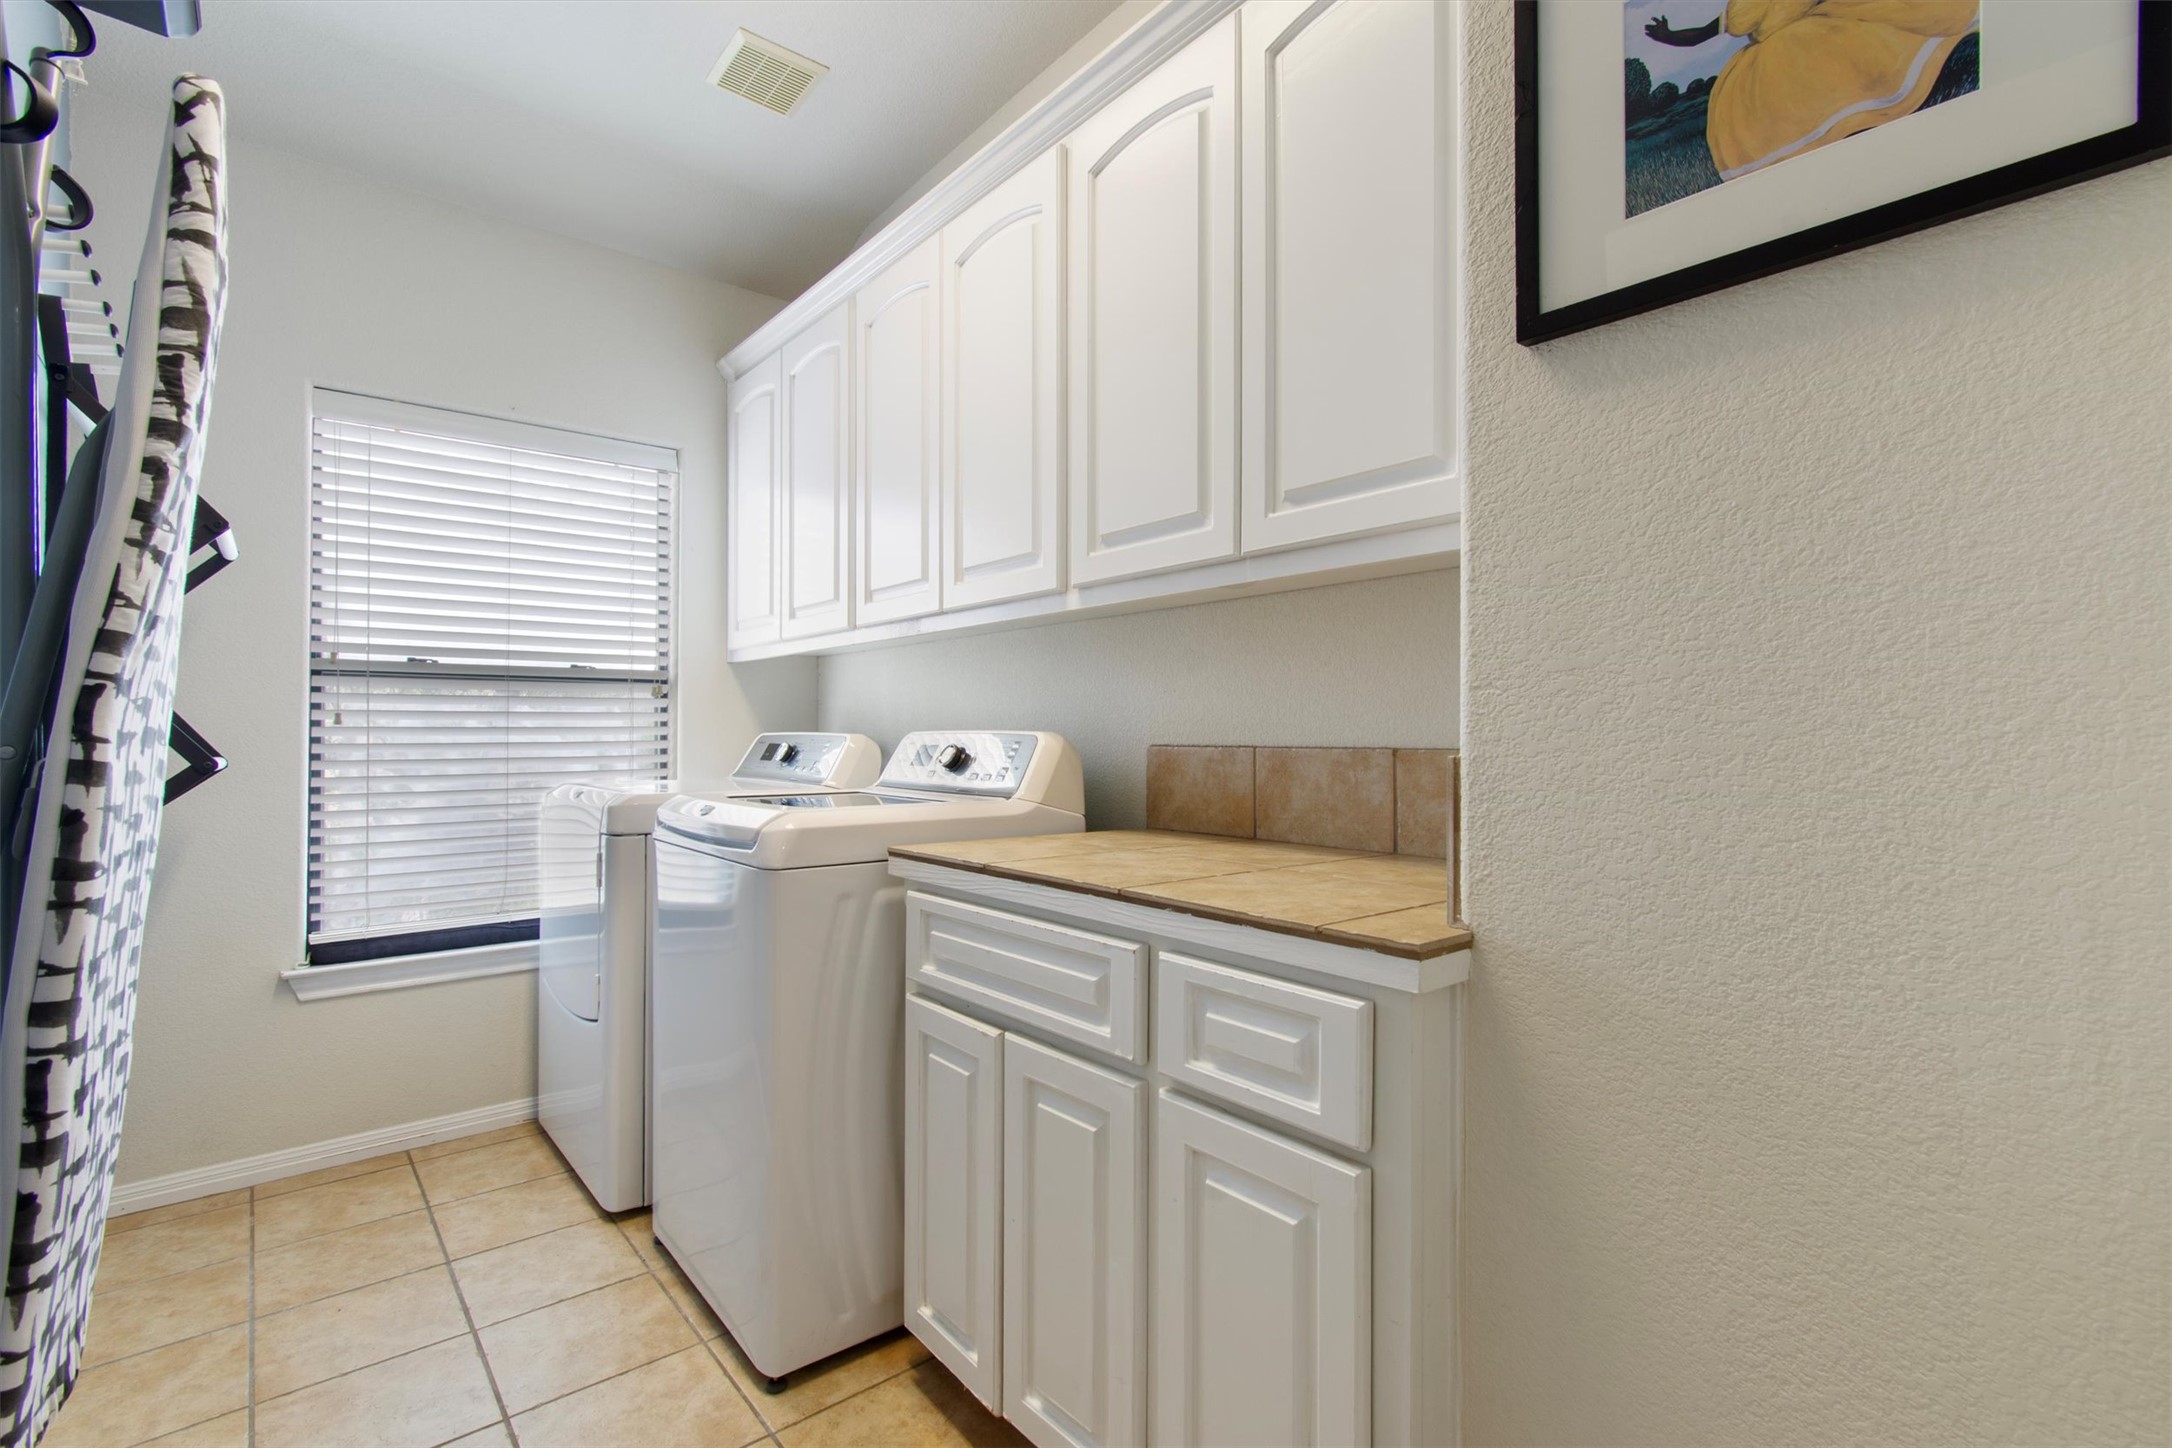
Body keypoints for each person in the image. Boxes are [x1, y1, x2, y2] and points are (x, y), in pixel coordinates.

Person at [1643, 0, 1981, 179]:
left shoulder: (1742, 7)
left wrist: (1669, 35)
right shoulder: (1743, 6)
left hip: (1810, 37)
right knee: (1813, 92)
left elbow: (1701, 35)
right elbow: (1703, 34)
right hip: (1799, 43)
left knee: (1839, 73)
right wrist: (1669, 35)